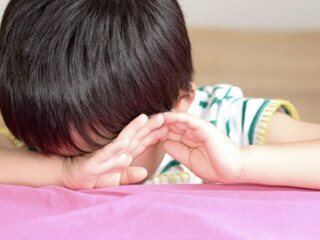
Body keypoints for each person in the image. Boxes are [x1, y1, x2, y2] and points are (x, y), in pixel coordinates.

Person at [0, 0, 319, 190]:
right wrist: (61, 172)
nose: (90, 166)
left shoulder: (228, 122)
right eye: (56, 152)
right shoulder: (46, 124)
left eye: (96, 150)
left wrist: (240, 164)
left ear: (180, 104)